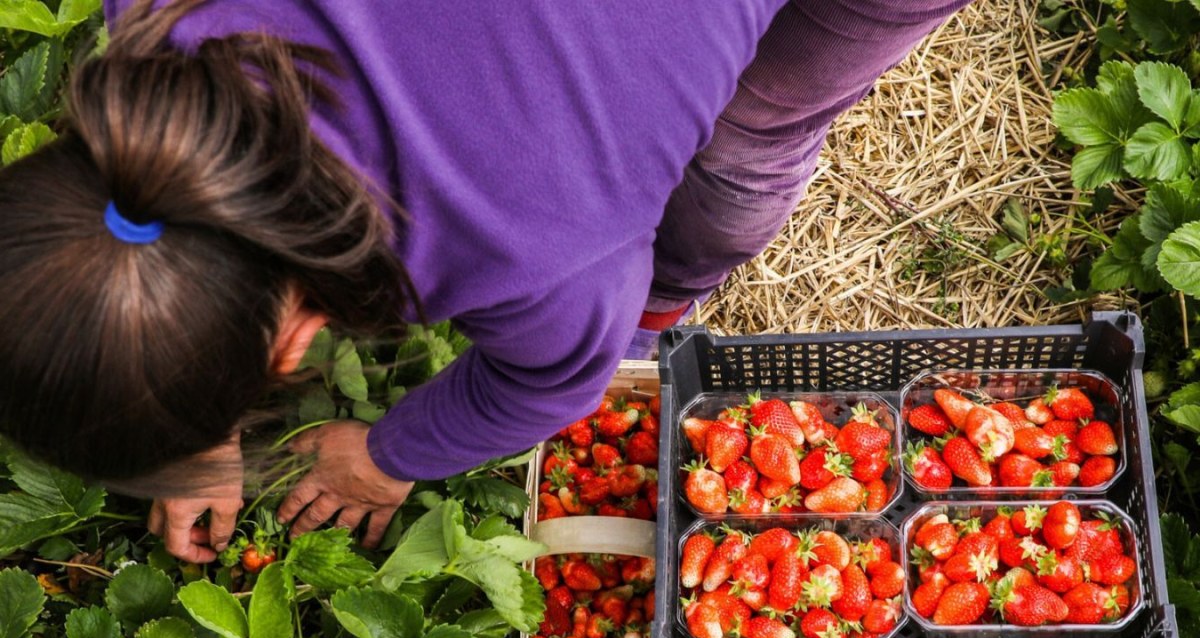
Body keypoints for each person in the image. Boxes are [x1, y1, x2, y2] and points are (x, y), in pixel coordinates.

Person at [0, 0, 972, 563]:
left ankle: (669, 298)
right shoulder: (156, 21)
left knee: (753, 130)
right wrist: (193, 402)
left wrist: (389, 454)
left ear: (294, 344)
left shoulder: (537, 240)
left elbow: (549, 382)